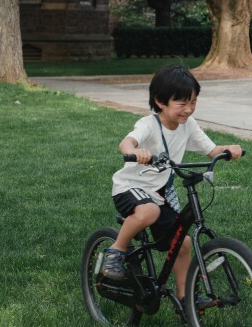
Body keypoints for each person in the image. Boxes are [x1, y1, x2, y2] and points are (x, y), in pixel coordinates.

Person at [104, 65, 244, 303]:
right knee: (149, 211)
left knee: (183, 242)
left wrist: (228, 149)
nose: (188, 109)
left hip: (159, 195)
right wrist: (135, 152)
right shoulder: (149, 125)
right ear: (160, 101)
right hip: (129, 188)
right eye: (181, 103)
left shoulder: (188, 125)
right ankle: (116, 251)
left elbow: (211, 150)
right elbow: (126, 142)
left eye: (193, 102)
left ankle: (185, 298)